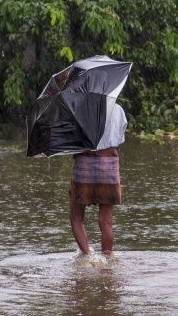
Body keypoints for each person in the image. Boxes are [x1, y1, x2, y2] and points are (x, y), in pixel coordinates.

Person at [69, 103, 127, 256]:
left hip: (84, 164)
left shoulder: (79, 109)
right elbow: (120, 139)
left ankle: (88, 256)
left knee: (76, 218)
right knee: (106, 221)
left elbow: (72, 141)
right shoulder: (118, 109)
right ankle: (107, 261)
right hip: (109, 165)